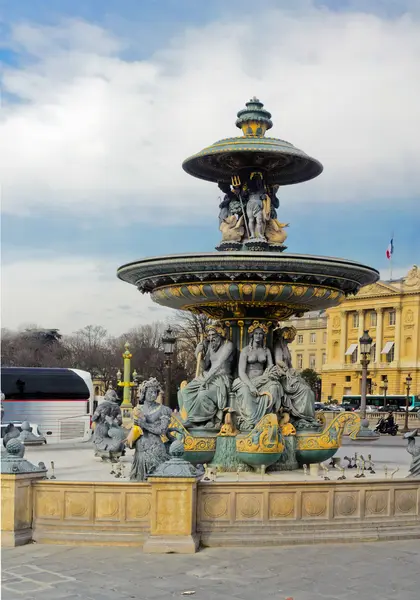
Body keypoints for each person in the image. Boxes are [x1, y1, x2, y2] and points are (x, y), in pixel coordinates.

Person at [177, 322, 234, 429]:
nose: (211, 338)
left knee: (203, 394)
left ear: (220, 334)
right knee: (186, 391)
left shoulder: (228, 345)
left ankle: (205, 420)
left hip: (221, 378)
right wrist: (197, 353)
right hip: (207, 375)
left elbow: (218, 364)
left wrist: (205, 380)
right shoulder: (211, 348)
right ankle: (191, 418)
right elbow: (205, 365)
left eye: (214, 335)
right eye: (210, 336)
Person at [232, 321, 283, 431]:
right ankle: (251, 421)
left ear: (264, 336)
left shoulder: (266, 351)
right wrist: (250, 386)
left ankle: (267, 418)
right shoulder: (245, 351)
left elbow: (270, 367)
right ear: (252, 335)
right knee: (245, 392)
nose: (258, 336)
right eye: (256, 333)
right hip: (247, 380)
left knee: (275, 387)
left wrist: (270, 375)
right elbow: (241, 372)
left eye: (261, 334)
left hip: (263, 380)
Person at [129, 378, 171, 481]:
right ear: (144, 393)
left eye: (155, 392)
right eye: (150, 392)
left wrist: (145, 425)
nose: (153, 395)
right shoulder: (138, 409)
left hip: (155, 449)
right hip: (140, 450)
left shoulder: (163, 410)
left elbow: (162, 430)